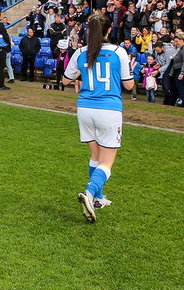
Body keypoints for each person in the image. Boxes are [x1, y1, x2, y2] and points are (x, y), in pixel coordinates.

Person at [63, 14, 134, 224]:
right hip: (108, 109)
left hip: (85, 108)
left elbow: (66, 79)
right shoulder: (118, 51)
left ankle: (99, 198)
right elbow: (129, 85)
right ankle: (90, 192)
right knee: (107, 160)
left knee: (95, 156)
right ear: (109, 30)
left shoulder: (80, 52)